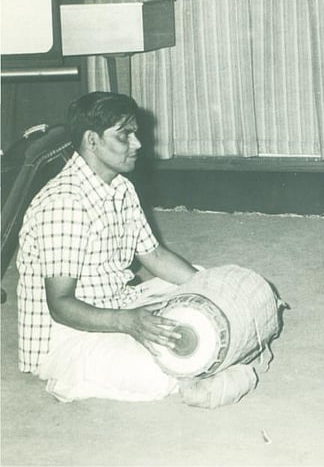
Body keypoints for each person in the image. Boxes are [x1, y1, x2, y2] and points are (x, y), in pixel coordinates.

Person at [16, 92, 256, 406]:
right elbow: (60, 306)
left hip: (118, 303)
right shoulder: (63, 204)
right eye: (124, 135)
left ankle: (210, 366)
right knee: (159, 371)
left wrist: (217, 289)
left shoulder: (120, 186)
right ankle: (203, 377)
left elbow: (154, 255)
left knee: (202, 280)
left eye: (135, 133)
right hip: (66, 336)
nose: (138, 144)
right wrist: (129, 322)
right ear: (92, 141)